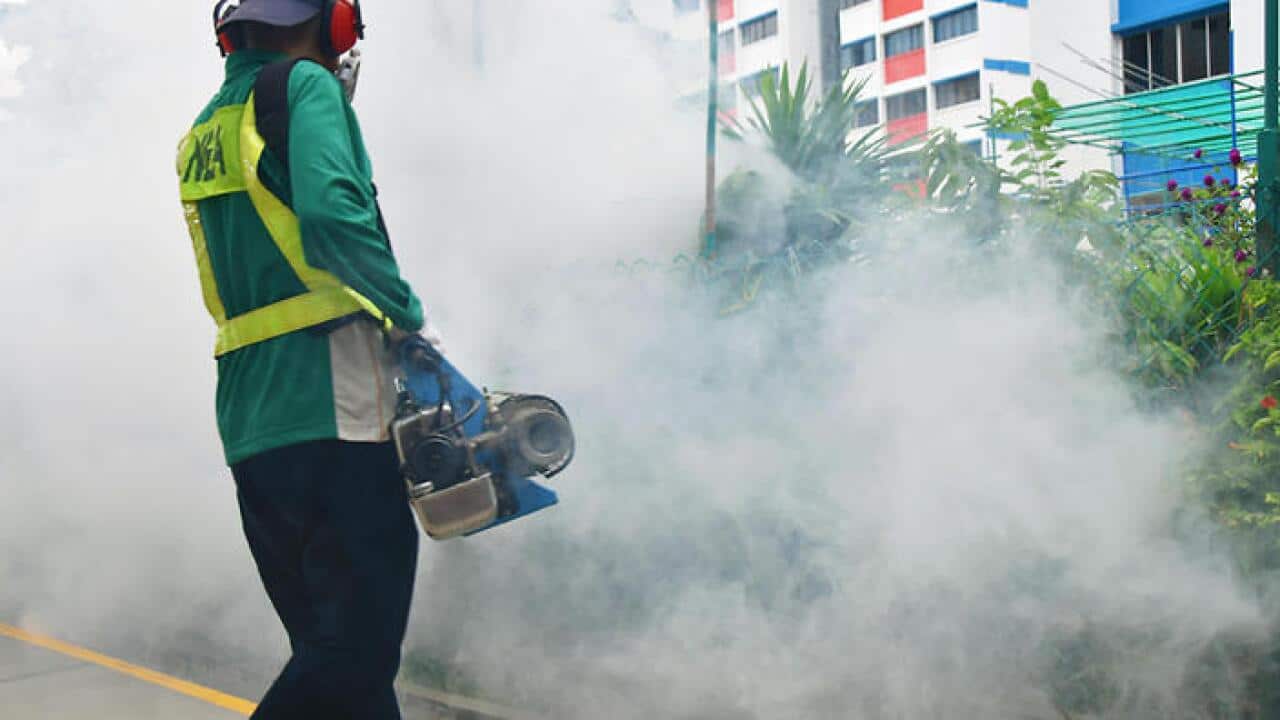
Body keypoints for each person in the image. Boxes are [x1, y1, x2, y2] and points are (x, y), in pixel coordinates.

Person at [175, 1, 429, 716]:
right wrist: (412, 317)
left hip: (253, 424)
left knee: (345, 670)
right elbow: (330, 219)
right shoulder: (307, 87)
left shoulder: (204, 130)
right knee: (351, 654)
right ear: (329, 21)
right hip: (333, 408)